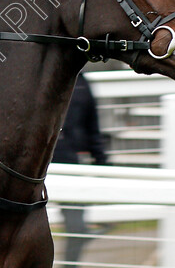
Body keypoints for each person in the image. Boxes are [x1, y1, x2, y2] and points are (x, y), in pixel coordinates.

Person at [52, 72, 109, 267]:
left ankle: (70, 265)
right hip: (37, 165)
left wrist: (103, 164)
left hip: (71, 164)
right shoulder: (42, 74)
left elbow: (92, 126)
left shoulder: (83, 83)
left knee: (76, 226)